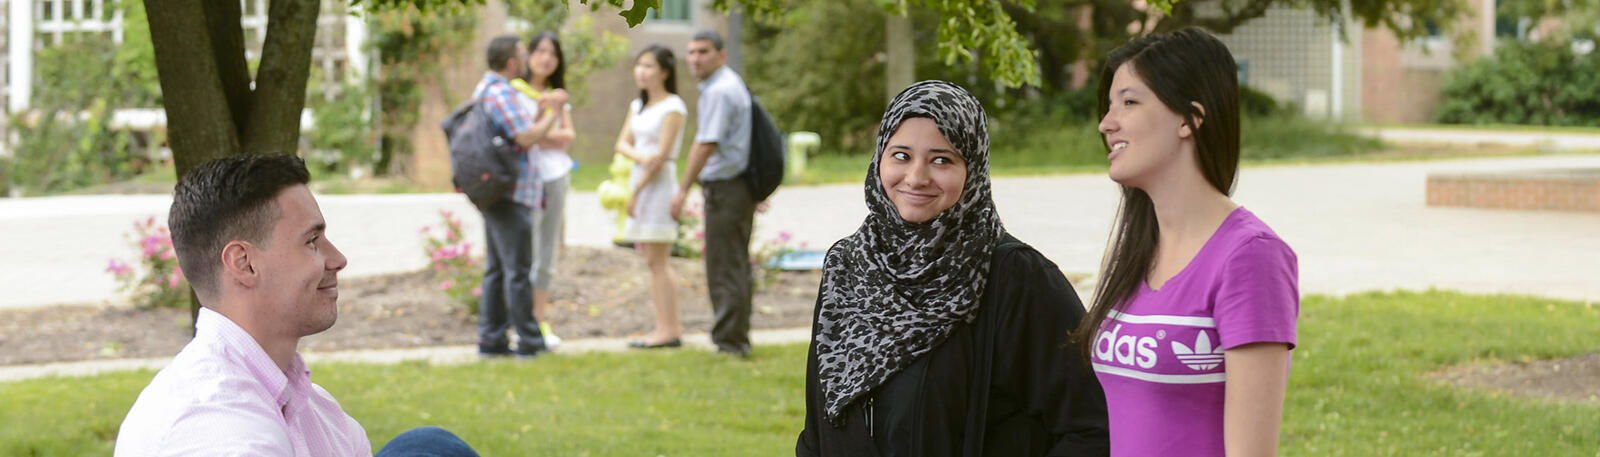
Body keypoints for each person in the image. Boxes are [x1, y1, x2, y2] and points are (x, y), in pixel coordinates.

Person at [795, 81, 1110, 456]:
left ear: (972, 169)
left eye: (941, 159)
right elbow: (817, 428)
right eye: (900, 156)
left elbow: (1091, 427)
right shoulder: (847, 265)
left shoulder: (1015, 277)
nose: (916, 177)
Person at [115, 154, 479, 457]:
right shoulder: (219, 430)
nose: (337, 259)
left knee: (427, 447)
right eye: (312, 241)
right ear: (244, 264)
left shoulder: (311, 406)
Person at [1071, 27, 1299, 457]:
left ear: (1188, 119)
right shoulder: (1137, 253)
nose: (1106, 123)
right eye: (1109, 106)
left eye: (1129, 102)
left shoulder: (1251, 257)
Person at [472, 35, 566, 358]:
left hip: (495, 190)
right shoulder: (501, 92)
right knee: (517, 270)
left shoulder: (484, 89)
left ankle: (492, 339)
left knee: (498, 269)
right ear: (512, 63)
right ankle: (529, 340)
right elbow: (525, 137)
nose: (526, 61)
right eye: (523, 56)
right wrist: (553, 112)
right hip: (511, 194)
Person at [673, 30, 755, 357]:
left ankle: (731, 342)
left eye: (703, 52)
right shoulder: (726, 84)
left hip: (727, 188)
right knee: (732, 263)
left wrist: (681, 189)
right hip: (735, 186)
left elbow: (707, 143)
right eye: (691, 52)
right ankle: (734, 337)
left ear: (720, 55)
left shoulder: (721, 90)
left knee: (725, 266)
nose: (695, 58)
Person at [613, 44, 689, 349]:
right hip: (641, 180)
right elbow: (622, 143)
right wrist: (641, 159)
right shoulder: (638, 106)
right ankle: (665, 326)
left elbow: (661, 157)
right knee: (651, 259)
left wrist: (637, 190)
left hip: (655, 187)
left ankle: (668, 330)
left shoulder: (673, 107)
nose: (641, 72)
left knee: (659, 260)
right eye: (639, 65)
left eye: (649, 66)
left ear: (665, 72)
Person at [513, 30, 578, 348]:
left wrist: (542, 133)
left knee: (547, 251)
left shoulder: (557, 94)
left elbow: (568, 137)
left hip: (556, 176)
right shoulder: (514, 90)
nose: (546, 58)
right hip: (525, 178)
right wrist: (547, 129)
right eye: (540, 51)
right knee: (523, 250)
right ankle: (519, 322)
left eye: (552, 53)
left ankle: (538, 320)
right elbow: (523, 136)